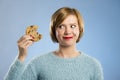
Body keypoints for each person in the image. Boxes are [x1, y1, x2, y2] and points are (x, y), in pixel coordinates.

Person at [4, 7, 104, 80]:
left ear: (80, 29)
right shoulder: (38, 63)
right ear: (53, 30)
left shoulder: (93, 65)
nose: (67, 31)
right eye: (61, 26)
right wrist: (21, 56)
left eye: (73, 26)